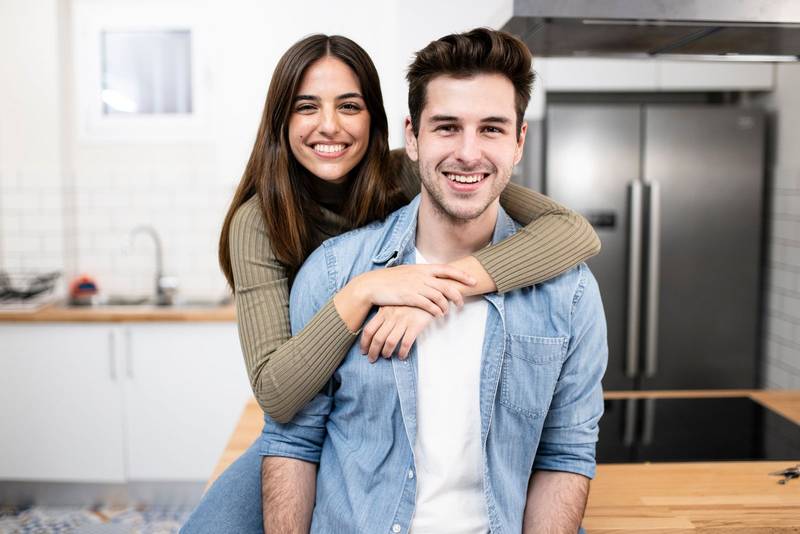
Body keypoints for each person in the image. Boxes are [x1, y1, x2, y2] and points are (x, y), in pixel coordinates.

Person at [181, 31, 600, 533]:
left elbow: (571, 230)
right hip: (309, 401)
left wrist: (444, 287)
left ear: (377, 122)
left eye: (349, 106)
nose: (329, 126)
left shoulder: (411, 173)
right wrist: (363, 291)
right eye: (306, 107)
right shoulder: (263, 224)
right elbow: (278, 395)